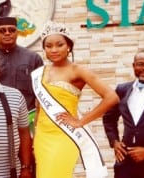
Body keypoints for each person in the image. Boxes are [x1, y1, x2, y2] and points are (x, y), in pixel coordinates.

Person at [30, 21, 119, 178]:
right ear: (44, 49)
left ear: (69, 46)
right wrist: (35, 134)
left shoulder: (78, 70)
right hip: (42, 137)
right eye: (49, 46)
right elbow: (39, 107)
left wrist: (81, 121)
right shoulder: (40, 72)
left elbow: (111, 97)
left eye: (59, 45)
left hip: (65, 135)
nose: (54, 50)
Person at [103, 48, 144, 178]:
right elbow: (109, 118)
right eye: (140, 64)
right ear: (134, 66)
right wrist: (115, 142)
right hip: (126, 164)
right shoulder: (122, 89)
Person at [0, 16, 44, 112]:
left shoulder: (33, 58)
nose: (7, 33)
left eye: (12, 30)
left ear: (17, 33)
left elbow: (42, 91)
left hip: (28, 113)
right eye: (2, 31)